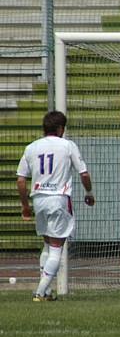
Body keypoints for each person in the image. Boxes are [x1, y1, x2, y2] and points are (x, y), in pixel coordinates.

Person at [16, 111, 95, 301]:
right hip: (58, 198)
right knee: (57, 246)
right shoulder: (67, 146)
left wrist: (25, 206)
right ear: (60, 128)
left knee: (47, 244)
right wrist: (89, 193)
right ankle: (40, 291)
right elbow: (83, 173)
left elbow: (20, 180)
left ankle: (48, 292)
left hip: (39, 199)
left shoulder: (32, 147)